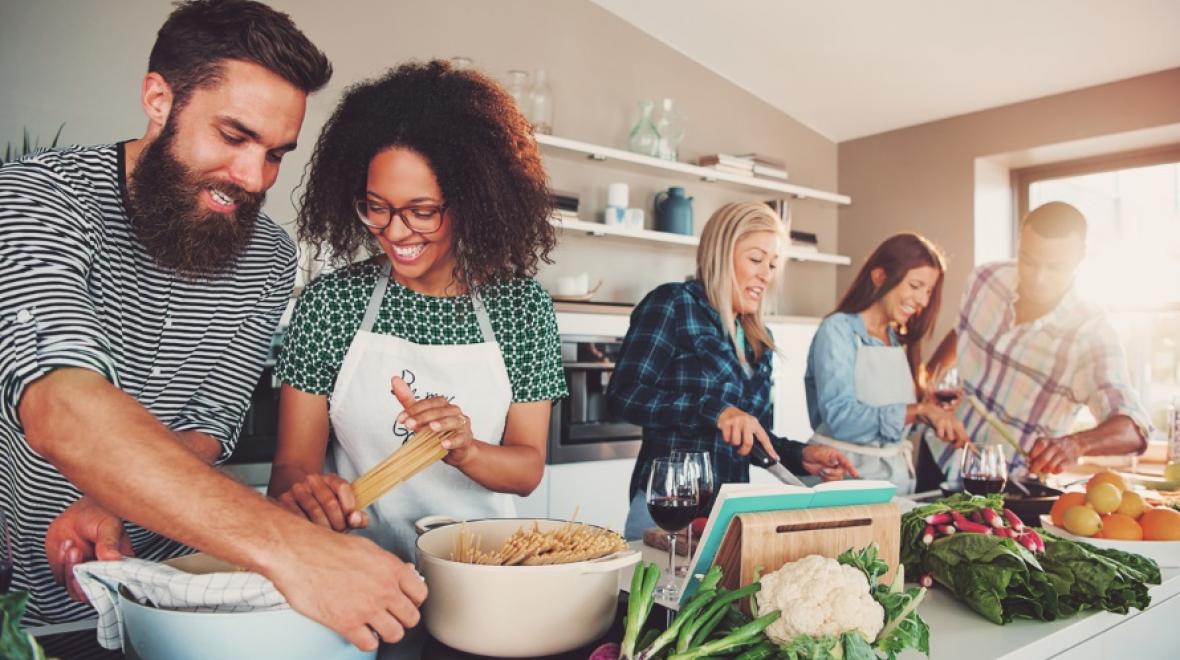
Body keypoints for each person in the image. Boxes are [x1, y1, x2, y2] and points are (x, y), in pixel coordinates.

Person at [0, 1, 426, 649]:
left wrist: (118, 498)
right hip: (25, 591)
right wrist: (297, 551)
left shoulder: (269, 257)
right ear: (158, 99)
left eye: (276, 153)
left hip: (178, 583)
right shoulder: (37, 199)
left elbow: (207, 422)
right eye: (233, 137)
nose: (255, 178)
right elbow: (60, 406)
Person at [267, 61, 566, 564]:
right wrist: (311, 499)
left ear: (472, 201)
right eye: (376, 206)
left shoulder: (522, 308)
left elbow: (527, 469)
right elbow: (292, 468)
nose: (395, 231)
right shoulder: (331, 304)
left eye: (422, 211)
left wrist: (466, 449)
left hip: (482, 569)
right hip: (361, 566)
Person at [608, 202, 857, 540]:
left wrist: (801, 457)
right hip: (668, 509)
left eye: (772, 265)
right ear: (720, 254)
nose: (766, 275)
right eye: (756, 260)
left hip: (729, 514)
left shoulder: (759, 338)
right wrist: (714, 411)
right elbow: (623, 396)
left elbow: (752, 435)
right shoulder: (673, 304)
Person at [925, 202, 1150, 475]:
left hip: (1009, 485)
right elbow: (962, 331)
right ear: (1019, 243)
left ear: (1081, 256)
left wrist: (1075, 445)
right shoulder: (985, 279)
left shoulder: (1091, 334)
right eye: (1028, 260)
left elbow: (1134, 429)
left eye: (1055, 267)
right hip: (939, 454)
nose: (1038, 278)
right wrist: (930, 380)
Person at [804, 234, 969, 494]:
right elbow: (841, 418)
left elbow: (891, 424)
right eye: (916, 286)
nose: (924, 301)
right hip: (843, 481)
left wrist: (927, 412)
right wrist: (919, 411)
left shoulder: (896, 339)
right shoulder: (837, 330)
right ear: (880, 276)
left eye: (928, 291)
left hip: (895, 483)